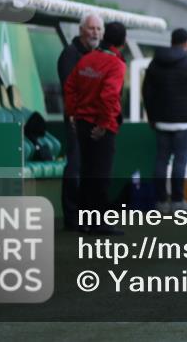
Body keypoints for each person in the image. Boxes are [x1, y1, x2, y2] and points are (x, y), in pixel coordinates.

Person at [65, 21, 127, 235]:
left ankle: (83, 220)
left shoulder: (86, 59)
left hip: (81, 122)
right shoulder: (116, 64)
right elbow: (109, 96)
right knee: (101, 175)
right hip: (101, 126)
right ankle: (99, 221)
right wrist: (103, 124)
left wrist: (73, 113)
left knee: (87, 172)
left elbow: (70, 86)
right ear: (123, 42)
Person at [143, 27, 187, 212]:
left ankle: (161, 202)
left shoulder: (155, 62)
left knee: (161, 160)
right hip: (185, 120)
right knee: (180, 161)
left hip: (161, 119)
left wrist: (151, 116)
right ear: (186, 43)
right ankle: (177, 202)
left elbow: (146, 91)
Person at [56, 12, 103, 231]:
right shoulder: (70, 55)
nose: (95, 33)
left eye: (98, 29)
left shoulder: (98, 55)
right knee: (75, 166)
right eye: (92, 28)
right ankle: (72, 217)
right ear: (81, 29)